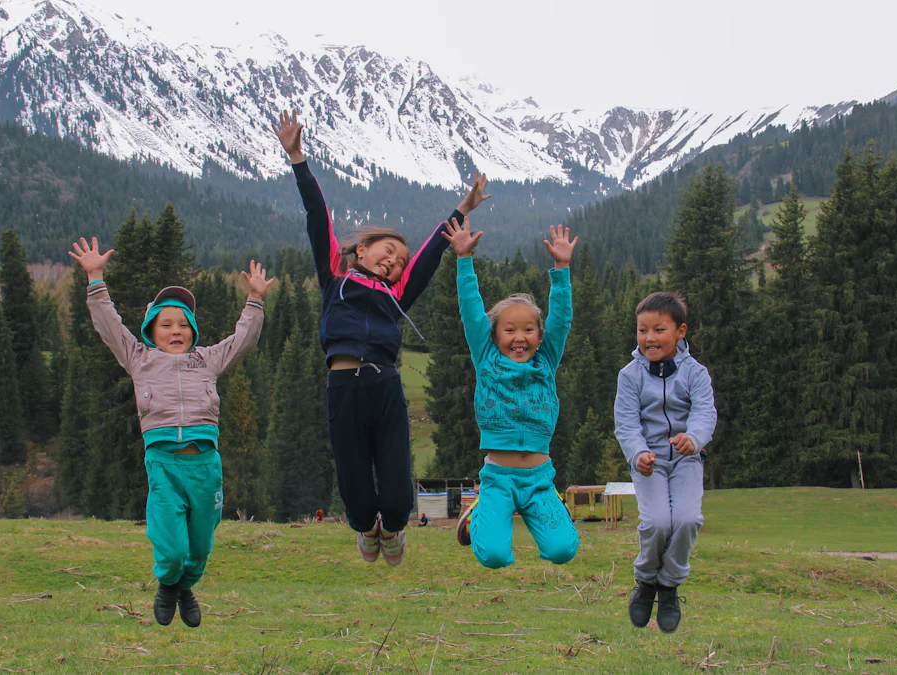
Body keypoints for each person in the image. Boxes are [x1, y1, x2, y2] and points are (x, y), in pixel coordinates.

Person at [274, 110, 491, 566]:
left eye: (399, 258)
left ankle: (392, 529)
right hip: (343, 388)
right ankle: (365, 529)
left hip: (386, 388)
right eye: (387, 250)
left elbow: (431, 255)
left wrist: (463, 210)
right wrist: (297, 158)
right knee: (355, 496)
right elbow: (317, 216)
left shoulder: (397, 295)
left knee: (396, 496)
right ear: (361, 250)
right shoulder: (335, 276)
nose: (394, 260)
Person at [70, 237, 274, 628]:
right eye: (166, 325)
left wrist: (255, 300)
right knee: (173, 545)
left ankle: (186, 587)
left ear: (193, 331)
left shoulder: (208, 360)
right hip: (163, 464)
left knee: (200, 543)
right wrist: (95, 278)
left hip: (205, 466)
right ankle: (168, 584)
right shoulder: (139, 359)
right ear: (151, 330)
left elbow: (244, 341)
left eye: (183, 324)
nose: (176, 331)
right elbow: (110, 326)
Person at [447, 218, 580, 569]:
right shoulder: (487, 358)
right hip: (498, 479)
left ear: (539, 336)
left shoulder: (546, 361)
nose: (519, 337)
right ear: (494, 335)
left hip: (539, 479)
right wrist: (464, 261)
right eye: (509, 330)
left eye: (528, 329)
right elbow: (472, 311)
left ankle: (554, 501)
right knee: (493, 556)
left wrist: (561, 268)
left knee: (563, 551)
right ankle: (476, 512)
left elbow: (562, 319)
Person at [613, 291, 716, 634]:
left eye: (658, 330)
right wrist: (638, 453)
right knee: (657, 523)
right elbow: (626, 424)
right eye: (642, 331)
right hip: (648, 462)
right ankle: (645, 582)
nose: (649, 338)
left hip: (687, 461)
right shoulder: (629, 376)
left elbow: (705, 413)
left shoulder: (696, 373)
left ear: (680, 331)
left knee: (687, 520)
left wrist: (694, 438)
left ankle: (668, 587)